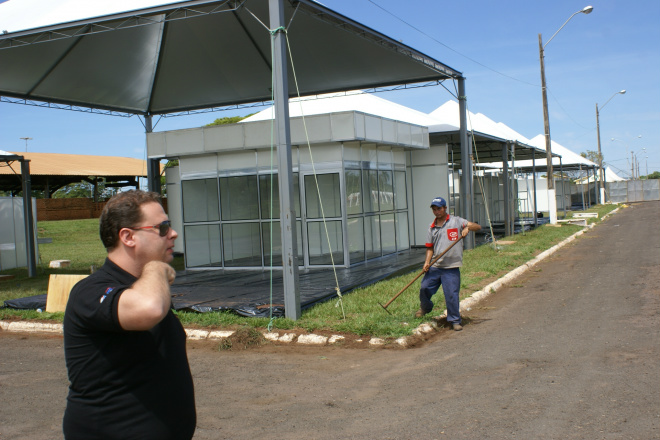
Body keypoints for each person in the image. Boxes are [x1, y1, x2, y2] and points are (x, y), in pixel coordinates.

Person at [63, 190, 196, 440]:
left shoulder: (141, 286)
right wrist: (156, 267)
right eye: (162, 227)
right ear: (128, 236)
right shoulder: (90, 291)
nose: (173, 233)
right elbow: (149, 308)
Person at [417, 196, 481, 331]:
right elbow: (429, 248)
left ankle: (454, 320)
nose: (437, 211)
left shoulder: (456, 221)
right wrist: (427, 263)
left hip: (451, 267)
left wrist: (467, 228)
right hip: (435, 266)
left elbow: (477, 226)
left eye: (439, 208)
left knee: (451, 294)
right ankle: (426, 307)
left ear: (445, 208)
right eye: (434, 209)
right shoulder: (432, 227)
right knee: (424, 288)